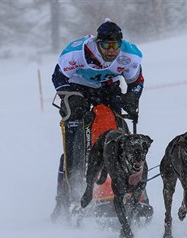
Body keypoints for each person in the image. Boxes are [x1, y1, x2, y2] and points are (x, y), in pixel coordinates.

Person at [50, 19, 145, 220]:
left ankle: (130, 193)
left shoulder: (130, 55)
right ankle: (64, 199)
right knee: (76, 143)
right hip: (76, 88)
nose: (112, 50)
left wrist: (132, 98)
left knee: (118, 137)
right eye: (106, 45)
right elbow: (58, 78)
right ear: (98, 42)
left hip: (107, 89)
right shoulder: (75, 54)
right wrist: (71, 98)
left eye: (115, 45)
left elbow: (136, 81)